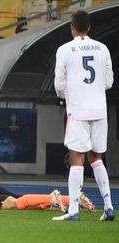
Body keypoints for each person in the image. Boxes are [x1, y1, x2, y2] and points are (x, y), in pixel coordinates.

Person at [53, 10, 115, 221]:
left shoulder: (64, 50)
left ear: (72, 27)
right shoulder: (103, 48)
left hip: (78, 111)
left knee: (77, 160)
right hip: (99, 110)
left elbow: (59, 85)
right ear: (89, 27)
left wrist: (70, 93)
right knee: (96, 158)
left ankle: (74, 211)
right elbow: (108, 82)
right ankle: (108, 207)